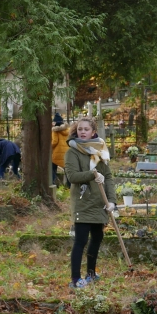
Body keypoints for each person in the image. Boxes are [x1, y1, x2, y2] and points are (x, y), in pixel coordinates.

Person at [64, 116, 117, 289]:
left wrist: (111, 201)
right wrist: (93, 174)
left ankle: (91, 273)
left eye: (86, 129)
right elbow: (72, 176)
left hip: (98, 202)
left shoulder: (99, 150)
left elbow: (108, 177)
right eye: (80, 129)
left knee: (97, 238)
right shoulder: (72, 151)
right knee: (81, 240)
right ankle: (75, 279)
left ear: (93, 132)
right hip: (83, 202)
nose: (83, 132)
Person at [51, 113, 70, 186]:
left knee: (52, 168)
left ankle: (53, 183)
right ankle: (70, 186)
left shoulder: (55, 130)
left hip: (57, 153)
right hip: (67, 152)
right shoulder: (68, 130)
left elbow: (54, 142)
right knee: (67, 170)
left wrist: (50, 147)